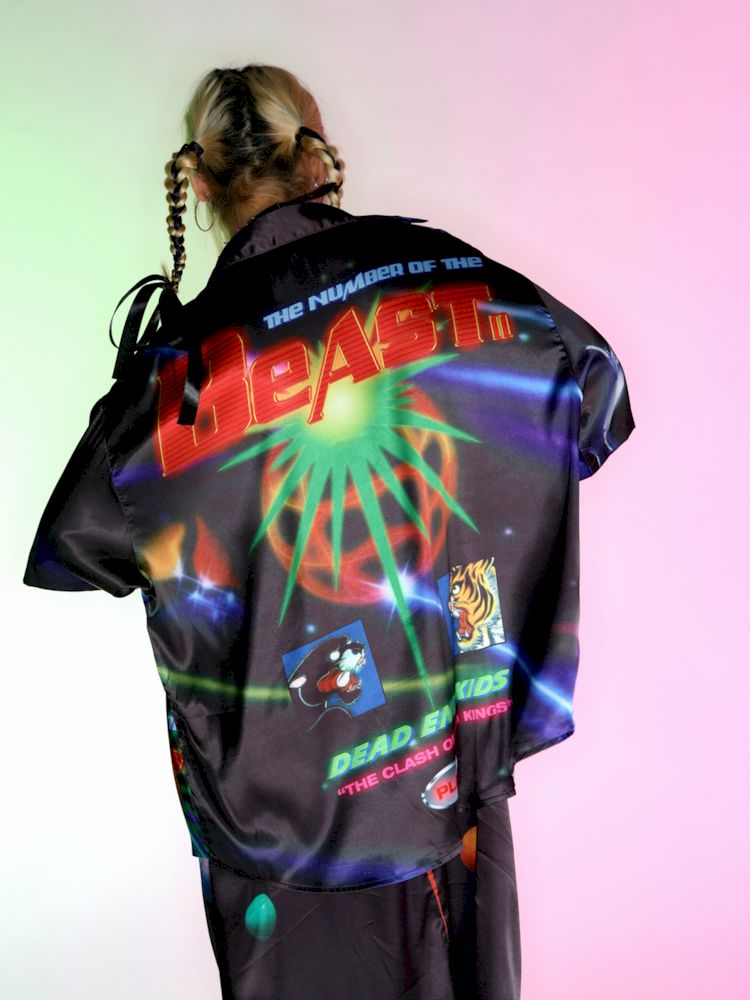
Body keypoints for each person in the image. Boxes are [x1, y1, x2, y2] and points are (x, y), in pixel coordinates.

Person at [22, 64, 636, 1000]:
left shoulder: (177, 374)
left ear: (201, 179)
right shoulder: (442, 276)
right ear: (317, 155)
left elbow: (81, 541)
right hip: (446, 765)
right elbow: (590, 387)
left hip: (279, 818)